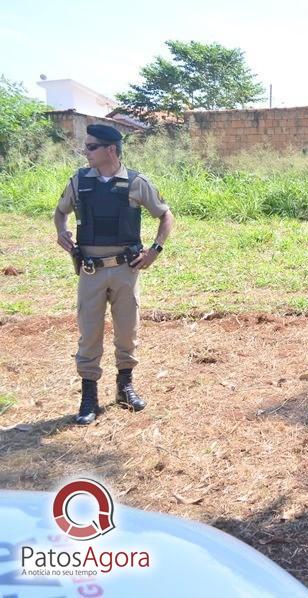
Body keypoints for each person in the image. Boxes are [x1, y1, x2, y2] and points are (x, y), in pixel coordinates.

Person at [53, 124, 175, 425]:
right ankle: (89, 397)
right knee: (89, 332)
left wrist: (155, 250)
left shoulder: (136, 182)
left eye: (92, 146)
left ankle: (125, 387)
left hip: (125, 270)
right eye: (86, 146)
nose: (86, 151)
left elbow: (165, 215)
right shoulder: (79, 181)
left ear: (111, 150)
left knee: (126, 330)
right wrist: (61, 231)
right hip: (91, 271)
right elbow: (60, 212)